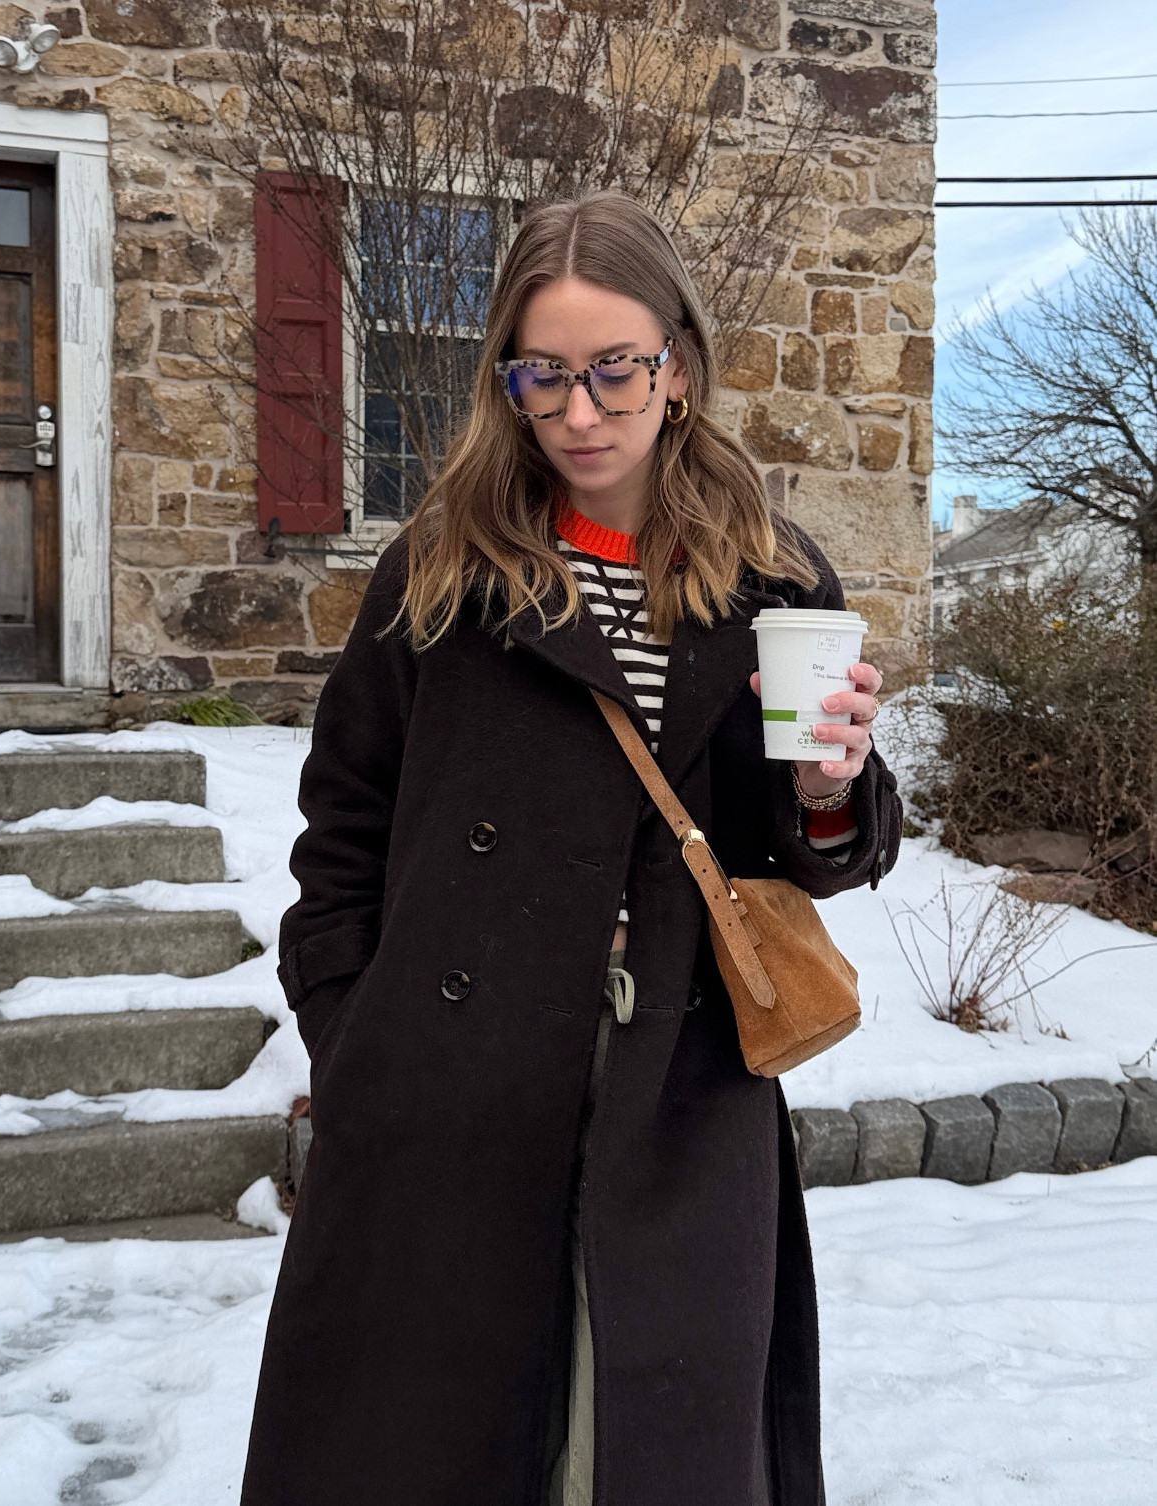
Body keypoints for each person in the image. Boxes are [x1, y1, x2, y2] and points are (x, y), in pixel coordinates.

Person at [240, 188, 902, 1506]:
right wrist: (361, 1045)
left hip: (680, 1094)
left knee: (641, 1459)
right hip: (450, 1099)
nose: (582, 413)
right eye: (544, 375)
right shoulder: (438, 571)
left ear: (680, 365)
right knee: (436, 1448)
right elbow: (342, 841)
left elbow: (803, 848)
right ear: (506, 375)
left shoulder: (772, 578)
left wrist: (834, 784)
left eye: (615, 371)